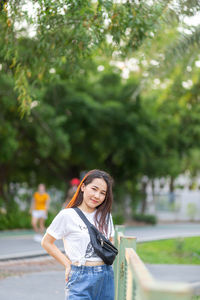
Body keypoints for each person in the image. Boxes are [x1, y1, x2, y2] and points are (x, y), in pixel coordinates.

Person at [41, 169, 115, 300]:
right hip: (80, 276)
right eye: (94, 189)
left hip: (106, 276)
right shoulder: (68, 215)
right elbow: (46, 242)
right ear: (83, 187)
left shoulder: (106, 217)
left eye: (102, 193)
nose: (97, 196)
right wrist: (67, 263)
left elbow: (110, 244)